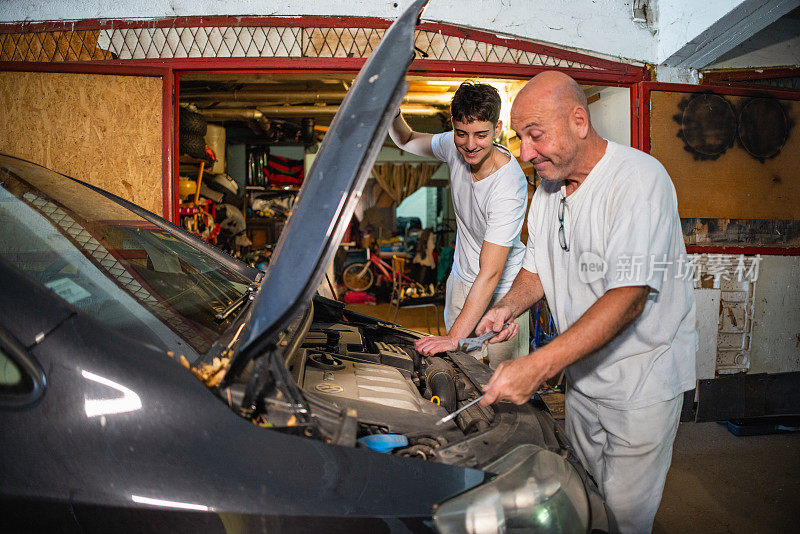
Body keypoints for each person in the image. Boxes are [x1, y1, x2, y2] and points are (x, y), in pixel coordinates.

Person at [475, 71, 697, 533]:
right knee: (586, 499)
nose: (525, 152)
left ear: (579, 120)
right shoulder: (548, 191)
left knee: (623, 517)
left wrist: (538, 364)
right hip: (584, 381)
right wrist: (507, 306)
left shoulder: (638, 180)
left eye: (535, 136)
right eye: (520, 138)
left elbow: (629, 296)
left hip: (641, 386)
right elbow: (536, 268)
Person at [388, 82, 529, 368]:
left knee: (505, 377)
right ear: (453, 126)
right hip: (464, 279)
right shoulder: (455, 147)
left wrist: (453, 338)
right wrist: (392, 110)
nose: (470, 145)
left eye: (481, 134)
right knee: (460, 368)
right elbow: (406, 140)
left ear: (498, 128)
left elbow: (491, 272)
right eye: (462, 134)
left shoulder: (508, 187)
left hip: (503, 288)